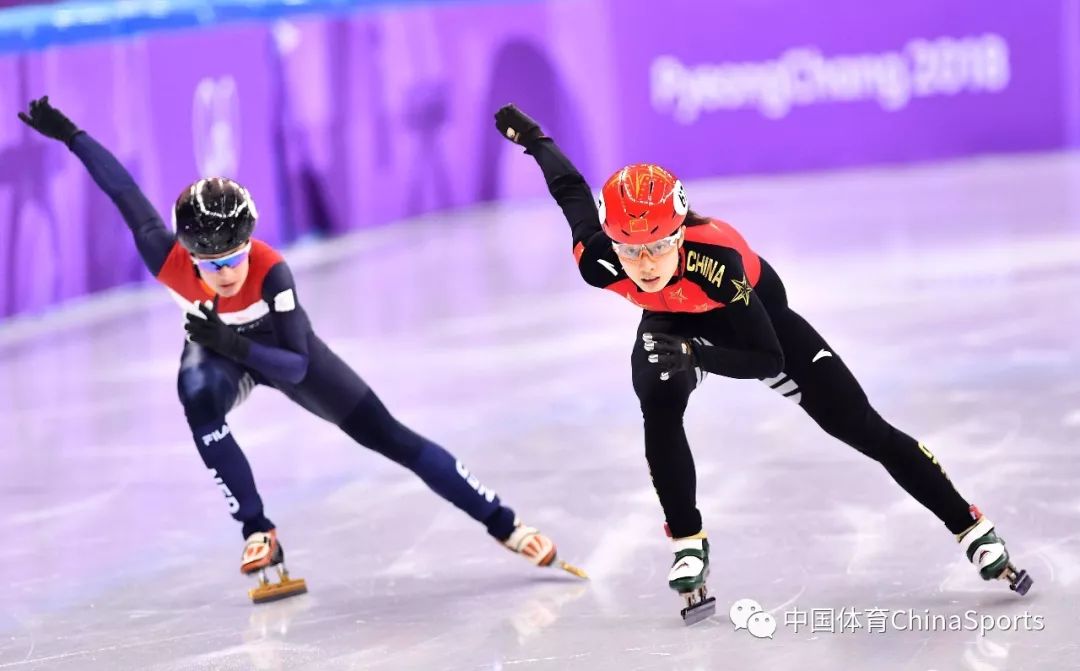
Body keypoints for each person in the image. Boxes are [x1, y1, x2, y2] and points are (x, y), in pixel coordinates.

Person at [17, 96, 585, 604]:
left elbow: (296, 365)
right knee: (196, 399)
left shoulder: (271, 271)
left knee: (393, 438)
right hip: (219, 354)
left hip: (281, 350)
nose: (225, 273)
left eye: (234, 256)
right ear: (188, 254)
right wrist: (73, 136)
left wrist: (232, 340)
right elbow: (123, 192)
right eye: (210, 264)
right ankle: (257, 529)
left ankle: (504, 523)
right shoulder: (164, 256)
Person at [493, 103, 1030, 623]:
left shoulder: (716, 261)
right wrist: (536, 140)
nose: (645, 264)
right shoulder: (600, 259)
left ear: (680, 235)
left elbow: (765, 357)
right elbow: (570, 192)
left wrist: (698, 356)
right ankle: (687, 541)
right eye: (631, 251)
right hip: (673, 322)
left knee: (863, 429)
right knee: (657, 401)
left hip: (753, 325)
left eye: (658, 246)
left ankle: (969, 525)